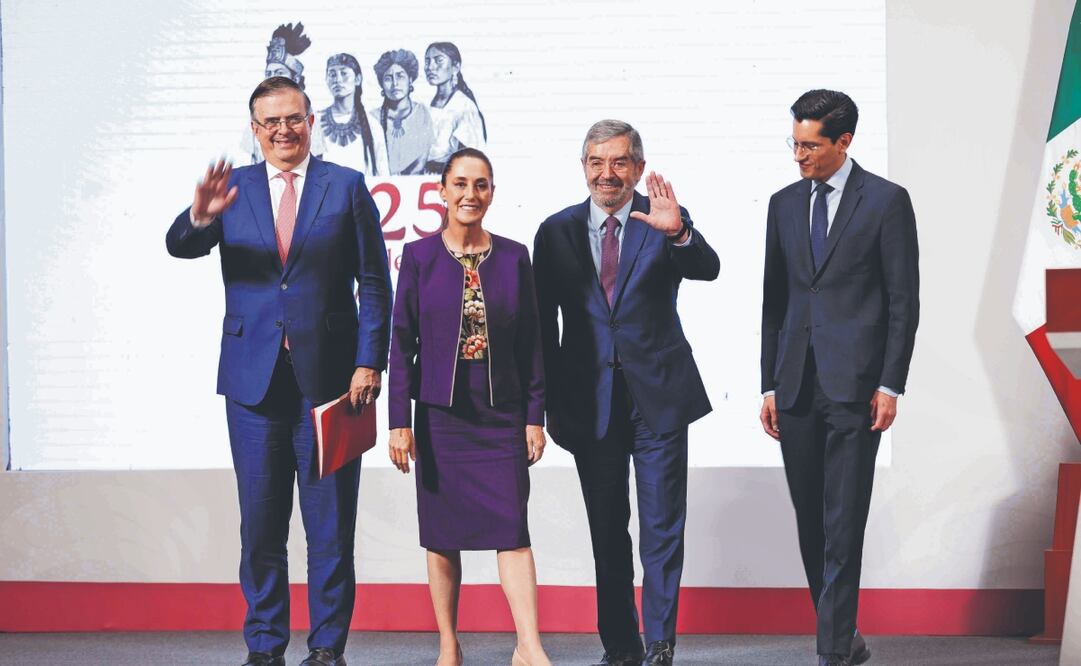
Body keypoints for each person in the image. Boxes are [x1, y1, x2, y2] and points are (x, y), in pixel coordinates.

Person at [166, 76, 393, 666]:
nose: (283, 131)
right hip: (252, 385)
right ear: (255, 130)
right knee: (261, 525)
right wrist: (198, 216)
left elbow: (374, 283)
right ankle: (265, 646)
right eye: (271, 123)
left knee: (330, 529)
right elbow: (180, 245)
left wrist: (370, 360)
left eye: (293, 119)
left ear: (311, 121)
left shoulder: (345, 187)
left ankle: (326, 648)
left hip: (333, 386)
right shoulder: (232, 190)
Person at [532, 120, 719, 666]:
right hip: (589, 402)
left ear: (637, 168)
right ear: (584, 167)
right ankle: (621, 645)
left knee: (662, 527)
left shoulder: (660, 219)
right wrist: (540, 406)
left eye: (618, 163)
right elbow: (544, 328)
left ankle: (660, 643)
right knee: (607, 530)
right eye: (596, 162)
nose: (606, 174)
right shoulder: (556, 231)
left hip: (658, 398)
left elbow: (707, 267)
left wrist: (678, 231)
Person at [759, 89, 919, 666]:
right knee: (811, 521)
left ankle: (829, 651)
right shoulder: (781, 203)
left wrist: (890, 384)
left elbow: (904, 302)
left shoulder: (885, 201)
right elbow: (774, 301)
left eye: (810, 146)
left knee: (843, 518)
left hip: (856, 390)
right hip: (796, 384)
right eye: (794, 144)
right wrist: (770, 384)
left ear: (843, 142)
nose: (798, 156)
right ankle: (843, 638)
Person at [387, 148, 551, 666]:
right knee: (441, 534)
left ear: (492, 194)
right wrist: (398, 423)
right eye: (460, 184)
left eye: (480, 185)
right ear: (441, 190)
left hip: (501, 412)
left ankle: (529, 646)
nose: (469, 195)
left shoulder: (513, 255)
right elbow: (400, 345)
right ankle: (448, 644)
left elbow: (533, 343)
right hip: (440, 416)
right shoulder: (418, 258)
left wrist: (533, 415)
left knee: (513, 530)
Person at [241, 23, 327, 164]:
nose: (272, 78)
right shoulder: (258, 118)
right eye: (269, 73)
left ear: (295, 78)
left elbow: (319, 164)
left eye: (279, 73)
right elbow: (253, 162)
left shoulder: (307, 118)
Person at [319, 53, 389, 177]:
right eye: (332, 74)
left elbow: (383, 175)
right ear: (326, 80)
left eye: (344, 73)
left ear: (357, 79)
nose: (338, 80)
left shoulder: (373, 125)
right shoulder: (315, 123)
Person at [424, 42, 487, 173]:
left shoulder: (463, 106)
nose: (430, 67)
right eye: (427, 61)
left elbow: (468, 160)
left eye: (438, 61)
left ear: (455, 67)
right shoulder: (426, 105)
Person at [371, 49, 434, 175]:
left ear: (410, 80)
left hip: (415, 184)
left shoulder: (422, 113)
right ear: (381, 84)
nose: (395, 83)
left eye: (400, 76)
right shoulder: (373, 118)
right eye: (388, 78)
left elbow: (422, 158)